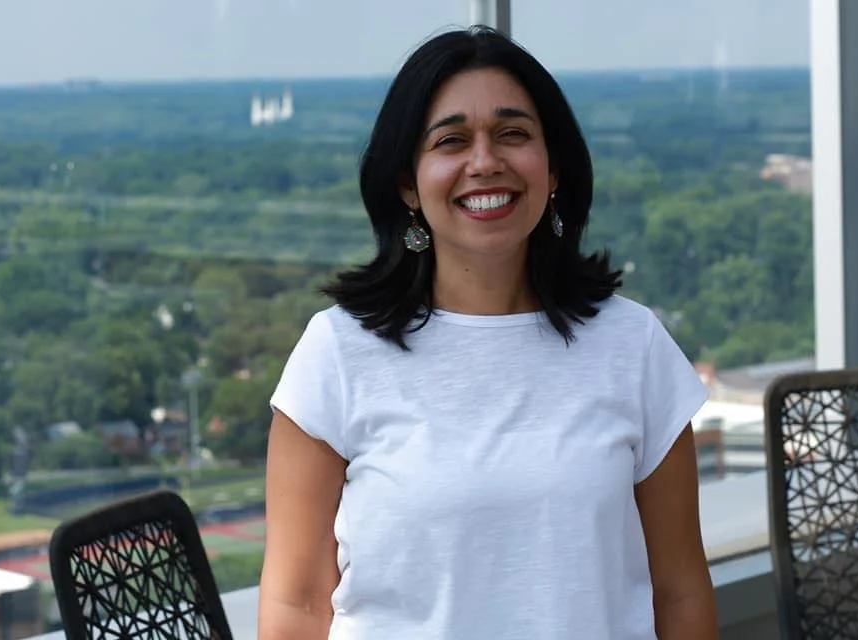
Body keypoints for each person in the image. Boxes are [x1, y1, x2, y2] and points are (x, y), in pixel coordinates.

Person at [258, 26, 718, 640]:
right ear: (407, 184)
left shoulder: (633, 347)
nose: (484, 162)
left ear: (553, 169)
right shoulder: (337, 354)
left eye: (513, 134)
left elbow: (680, 591)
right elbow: (296, 604)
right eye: (451, 140)